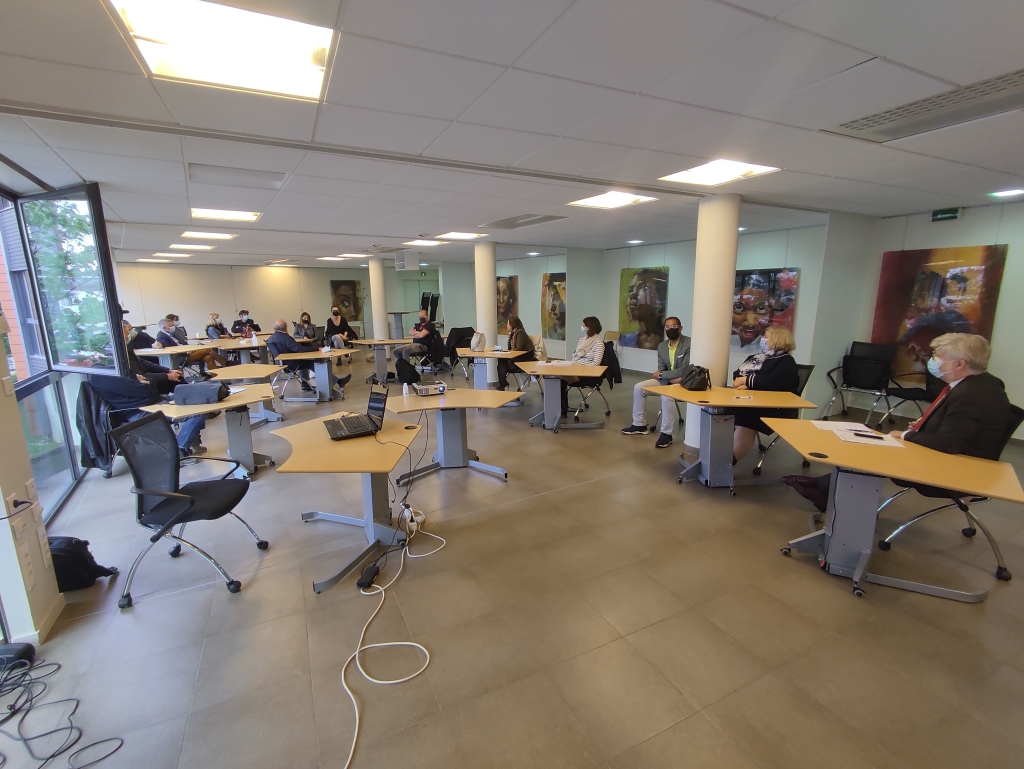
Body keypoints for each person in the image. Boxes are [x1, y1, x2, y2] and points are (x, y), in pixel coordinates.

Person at [783, 333, 1010, 511]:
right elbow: (955, 427)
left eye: (939, 357)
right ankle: (825, 488)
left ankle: (827, 493)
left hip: (955, 469)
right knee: (870, 444)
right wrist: (922, 425)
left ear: (959, 364)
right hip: (947, 456)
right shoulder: (975, 385)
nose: (933, 361)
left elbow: (948, 443)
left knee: (879, 450)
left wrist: (907, 435)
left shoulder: (972, 394)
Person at [119, 321, 208, 457]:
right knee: (198, 410)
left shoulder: (126, 350)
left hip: (150, 394)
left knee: (190, 394)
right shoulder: (120, 360)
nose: (130, 335)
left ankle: (191, 440)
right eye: (127, 332)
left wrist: (168, 371)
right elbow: (141, 375)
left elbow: (143, 364)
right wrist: (167, 375)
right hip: (143, 402)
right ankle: (180, 447)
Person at [731, 326, 800, 463]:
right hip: (753, 402)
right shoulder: (757, 358)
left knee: (745, 416)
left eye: (766, 337)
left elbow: (772, 382)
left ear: (777, 339)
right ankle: (719, 453)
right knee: (726, 411)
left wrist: (746, 381)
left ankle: (730, 461)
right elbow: (737, 374)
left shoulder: (786, 361)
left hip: (776, 408)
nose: (762, 339)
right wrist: (747, 383)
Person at [621, 316, 691, 448]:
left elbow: (683, 370)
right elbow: (661, 369)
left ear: (680, 328)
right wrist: (666, 376)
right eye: (667, 327)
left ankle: (666, 434)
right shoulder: (662, 346)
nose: (670, 329)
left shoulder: (688, 343)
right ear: (664, 330)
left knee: (666, 396)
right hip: (668, 380)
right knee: (639, 387)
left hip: (682, 383)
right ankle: (639, 424)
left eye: (674, 326)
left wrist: (663, 375)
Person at [267, 319, 350, 395]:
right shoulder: (286, 338)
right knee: (314, 363)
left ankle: (305, 384)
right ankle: (338, 382)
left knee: (304, 361)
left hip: (281, 363)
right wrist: (316, 348)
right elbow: (299, 349)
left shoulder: (272, 337)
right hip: (290, 363)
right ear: (285, 327)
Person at [561, 317, 604, 418]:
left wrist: (580, 365)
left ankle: (562, 409)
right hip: (575, 370)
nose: (582, 327)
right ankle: (561, 407)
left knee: (562, 380)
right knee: (558, 378)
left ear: (590, 328)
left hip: (588, 374)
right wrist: (576, 365)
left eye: (584, 326)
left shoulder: (599, 344)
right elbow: (575, 358)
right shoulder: (581, 341)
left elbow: (596, 364)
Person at [622, 269, 667, 350]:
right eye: (631, 290)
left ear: (659, 296)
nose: (632, 294)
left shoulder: (669, 342)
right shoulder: (626, 340)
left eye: (643, 287)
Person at [155, 318, 225, 370]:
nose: (173, 327)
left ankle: (215, 377)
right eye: (171, 326)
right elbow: (168, 348)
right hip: (181, 357)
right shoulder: (161, 336)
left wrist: (188, 348)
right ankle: (225, 363)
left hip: (187, 352)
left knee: (208, 357)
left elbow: (182, 342)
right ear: (164, 328)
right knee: (208, 349)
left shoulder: (171, 333)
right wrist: (186, 351)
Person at [496, 316, 536, 391]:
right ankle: (503, 384)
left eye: (508, 324)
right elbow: (511, 349)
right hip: (517, 356)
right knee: (501, 360)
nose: (507, 326)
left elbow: (519, 349)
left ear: (513, 324)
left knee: (503, 363)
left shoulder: (520, 332)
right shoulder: (512, 334)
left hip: (525, 356)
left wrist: (508, 353)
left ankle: (503, 384)